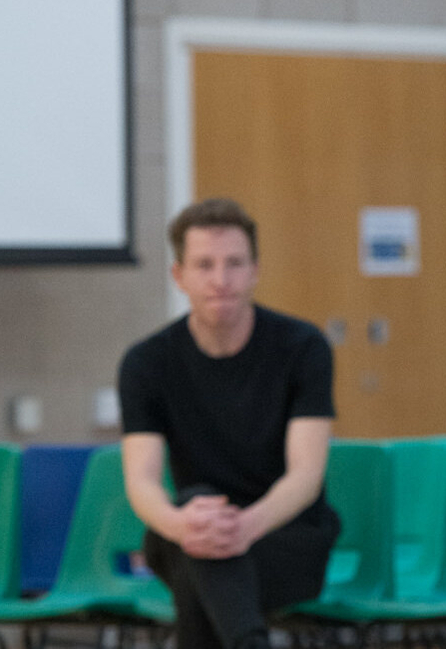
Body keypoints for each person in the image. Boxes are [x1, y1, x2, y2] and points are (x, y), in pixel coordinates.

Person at [118, 198, 340, 649]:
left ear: (255, 270)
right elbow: (141, 481)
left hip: (283, 537)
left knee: (199, 569)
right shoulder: (146, 363)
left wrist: (246, 526)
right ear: (178, 276)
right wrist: (180, 524)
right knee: (198, 514)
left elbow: (306, 476)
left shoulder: (303, 348)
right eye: (205, 265)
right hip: (189, 531)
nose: (221, 280)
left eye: (235, 263)